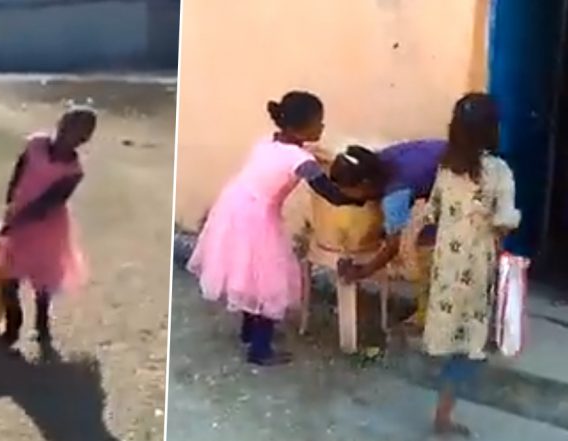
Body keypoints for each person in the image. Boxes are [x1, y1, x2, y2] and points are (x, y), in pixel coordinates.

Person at [188, 91, 366, 366]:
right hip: (258, 217)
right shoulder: (301, 161)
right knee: (268, 280)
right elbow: (331, 193)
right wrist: (361, 196)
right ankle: (260, 349)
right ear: (301, 127)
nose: (322, 128)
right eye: (319, 123)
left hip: (235, 204)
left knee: (248, 273)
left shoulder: (269, 142)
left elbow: (290, 159)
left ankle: (249, 332)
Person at [422, 93, 519, 437]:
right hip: (477, 270)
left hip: (446, 267)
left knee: (450, 333)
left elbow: (431, 211)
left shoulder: (446, 168)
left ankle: (443, 407)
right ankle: (444, 416)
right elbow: (506, 220)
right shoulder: (498, 172)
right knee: (468, 343)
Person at [0, 104, 96, 349]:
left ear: (83, 139)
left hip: (47, 226)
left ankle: (42, 325)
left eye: (77, 132)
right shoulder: (36, 144)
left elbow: (49, 202)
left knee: (43, 280)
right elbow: (18, 173)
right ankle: (13, 323)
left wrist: (16, 221)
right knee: (8, 276)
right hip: (19, 213)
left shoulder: (74, 170)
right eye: (67, 126)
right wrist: (10, 204)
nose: (68, 135)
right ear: (59, 124)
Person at [333, 138, 448, 330]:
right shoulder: (376, 162)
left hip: (461, 174)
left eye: (348, 191)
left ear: (364, 184)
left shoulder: (394, 195)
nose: (345, 195)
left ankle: (433, 315)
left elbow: (394, 245)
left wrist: (364, 271)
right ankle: (434, 307)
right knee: (429, 237)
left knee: (429, 247)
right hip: (445, 159)